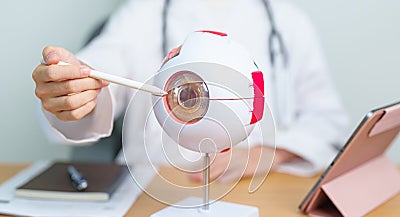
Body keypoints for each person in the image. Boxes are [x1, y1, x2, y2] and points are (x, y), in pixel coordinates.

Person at [32, 0, 348, 182]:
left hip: (263, 193)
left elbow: (328, 121)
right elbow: (105, 63)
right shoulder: (143, 13)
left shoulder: (288, 21)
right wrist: (73, 87)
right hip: (155, 188)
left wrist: (267, 155)